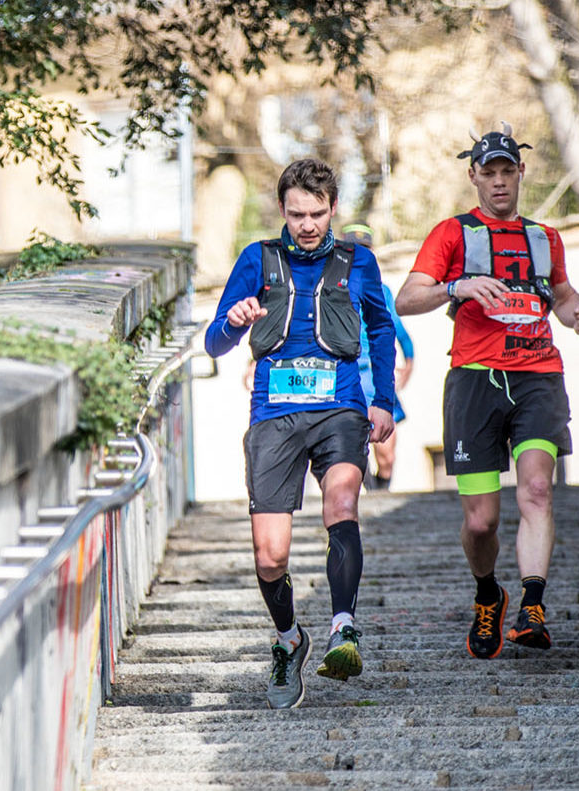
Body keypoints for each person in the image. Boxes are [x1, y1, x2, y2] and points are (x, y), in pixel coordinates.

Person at [392, 123, 579, 659]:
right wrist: (455, 286)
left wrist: (578, 312)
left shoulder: (544, 236)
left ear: (521, 173)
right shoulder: (452, 234)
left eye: (509, 171)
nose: (501, 182)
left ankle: (533, 606)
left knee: (536, 490)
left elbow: (560, 294)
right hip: (475, 381)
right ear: (474, 178)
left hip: (538, 376)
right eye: (490, 173)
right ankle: (490, 594)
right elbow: (406, 300)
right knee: (481, 520)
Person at [204, 159, 398, 708]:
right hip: (274, 414)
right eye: (296, 214)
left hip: (341, 406)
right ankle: (290, 640)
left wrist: (382, 400)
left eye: (316, 213)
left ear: (333, 208)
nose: (307, 224)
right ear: (281, 211)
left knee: (342, 501)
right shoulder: (257, 260)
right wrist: (234, 322)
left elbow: (381, 328)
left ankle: (343, 627)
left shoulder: (357, 261)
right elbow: (213, 345)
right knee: (270, 556)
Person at [341, 224, 415, 492]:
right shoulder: (331, 287)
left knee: (387, 454)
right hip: (347, 374)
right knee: (352, 448)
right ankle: (370, 495)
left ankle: (381, 491)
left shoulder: (381, 290)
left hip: (375, 374)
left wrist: (409, 362)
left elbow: (398, 330)